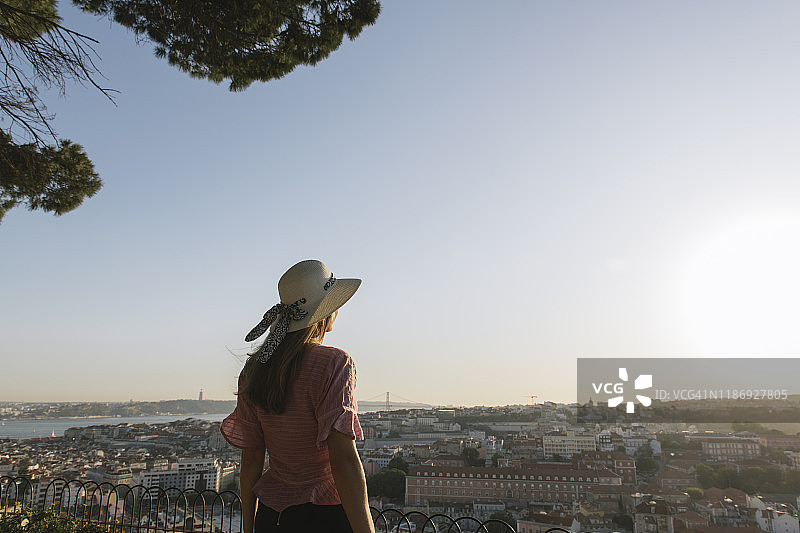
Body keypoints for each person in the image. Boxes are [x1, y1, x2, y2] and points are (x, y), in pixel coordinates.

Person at [220, 260, 374, 533]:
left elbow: (252, 461)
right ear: (325, 314)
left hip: (271, 517)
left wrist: (248, 527)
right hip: (324, 516)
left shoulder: (255, 371)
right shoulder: (335, 364)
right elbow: (343, 460)